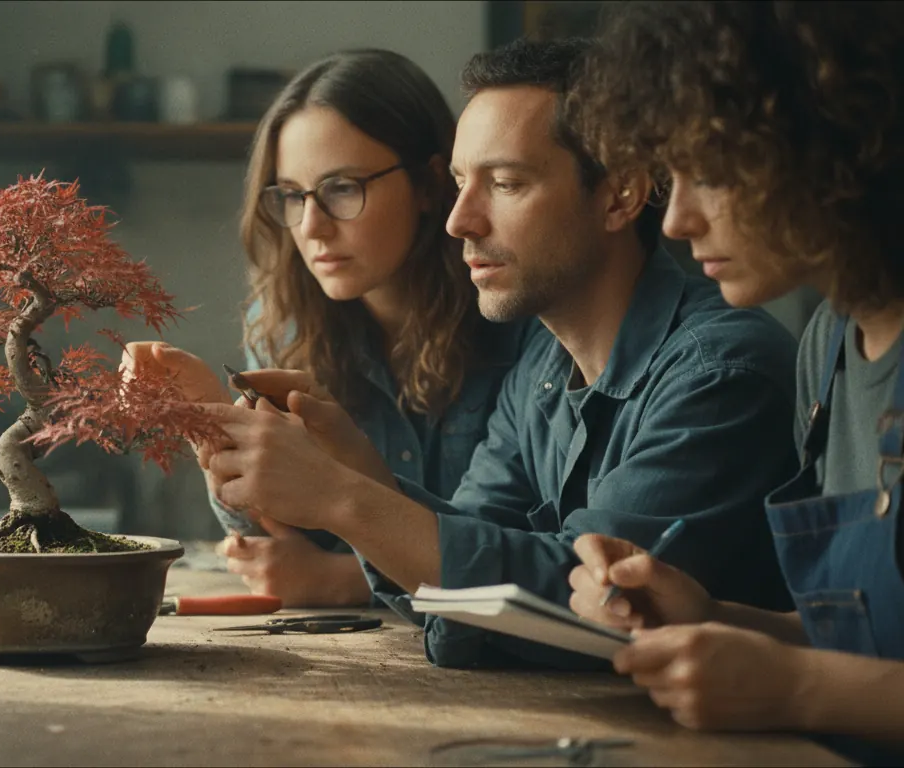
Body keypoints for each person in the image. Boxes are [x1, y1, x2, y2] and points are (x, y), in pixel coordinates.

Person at [199, 37, 798, 669]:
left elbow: (586, 610)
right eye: (462, 182)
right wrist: (354, 468)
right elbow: (471, 567)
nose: (459, 221)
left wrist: (343, 499)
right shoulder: (541, 371)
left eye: (506, 183)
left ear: (619, 196)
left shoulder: (722, 373)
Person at [563, 1, 904, 763]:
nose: (677, 219)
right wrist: (709, 618)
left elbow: (830, 680)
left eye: (710, 173)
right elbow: (874, 645)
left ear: (835, 145)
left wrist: (797, 688)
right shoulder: (828, 348)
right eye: (671, 176)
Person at [125, 48, 529, 608]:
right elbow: (278, 545)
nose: (311, 227)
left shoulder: (516, 320)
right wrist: (211, 420)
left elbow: (518, 549)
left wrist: (346, 581)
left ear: (431, 185)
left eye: (342, 188)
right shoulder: (282, 326)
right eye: (292, 195)